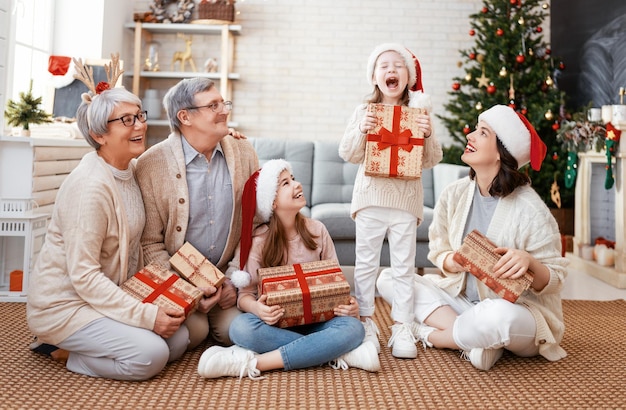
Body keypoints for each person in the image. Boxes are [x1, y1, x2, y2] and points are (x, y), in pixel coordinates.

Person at [27, 56, 188, 381]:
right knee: (152, 355)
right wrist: (146, 315)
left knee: (181, 338)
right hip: (66, 305)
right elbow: (84, 277)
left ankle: (98, 344)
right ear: (99, 135)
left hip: (106, 296)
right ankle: (67, 352)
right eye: (126, 120)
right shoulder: (91, 187)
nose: (140, 125)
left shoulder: (129, 169)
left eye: (140, 115)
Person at [377, 104, 569, 371]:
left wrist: (530, 263)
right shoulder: (455, 193)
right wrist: (451, 261)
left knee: (498, 316)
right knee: (389, 279)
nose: (470, 136)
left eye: (482, 133)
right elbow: (438, 247)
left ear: (502, 153)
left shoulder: (530, 209)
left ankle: (433, 335)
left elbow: (557, 278)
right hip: (461, 302)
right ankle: (479, 341)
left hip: (518, 312)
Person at [197, 159, 380, 379]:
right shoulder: (259, 241)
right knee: (240, 328)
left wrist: (351, 306)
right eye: (286, 183)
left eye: (293, 179)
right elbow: (245, 295)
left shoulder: (317, 230)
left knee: (354, 327)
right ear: (272, 202)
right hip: (278, 327)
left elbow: (337, 283)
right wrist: (258, 309)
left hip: (320, 323)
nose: (297, 184)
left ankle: (255, 362)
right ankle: (338, 353)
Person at [136, 77, 259, 350]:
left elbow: (255, 224)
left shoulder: (244, 152)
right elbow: (150, 243)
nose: (225, 110)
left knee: (232, 333)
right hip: (179, 279)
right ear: (185, 117)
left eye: (223, 103)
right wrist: (189, 289)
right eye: (213, 105)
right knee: (195, 333)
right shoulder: (150, 165)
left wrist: (234, 279)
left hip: (227, 275)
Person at [338, 43, 443, 359]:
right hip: (370, 199)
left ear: (408, 77)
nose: (391, 71)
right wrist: (361, 130)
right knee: (366, 263)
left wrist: (426, 135)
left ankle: (402, 325)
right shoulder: (364, 112)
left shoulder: (419, 114)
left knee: (403, 266)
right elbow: (348, 153)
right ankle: (367, 321)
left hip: (405, 203)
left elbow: (432, 159)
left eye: (398, 65)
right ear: (374, 76)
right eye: (384, 66)